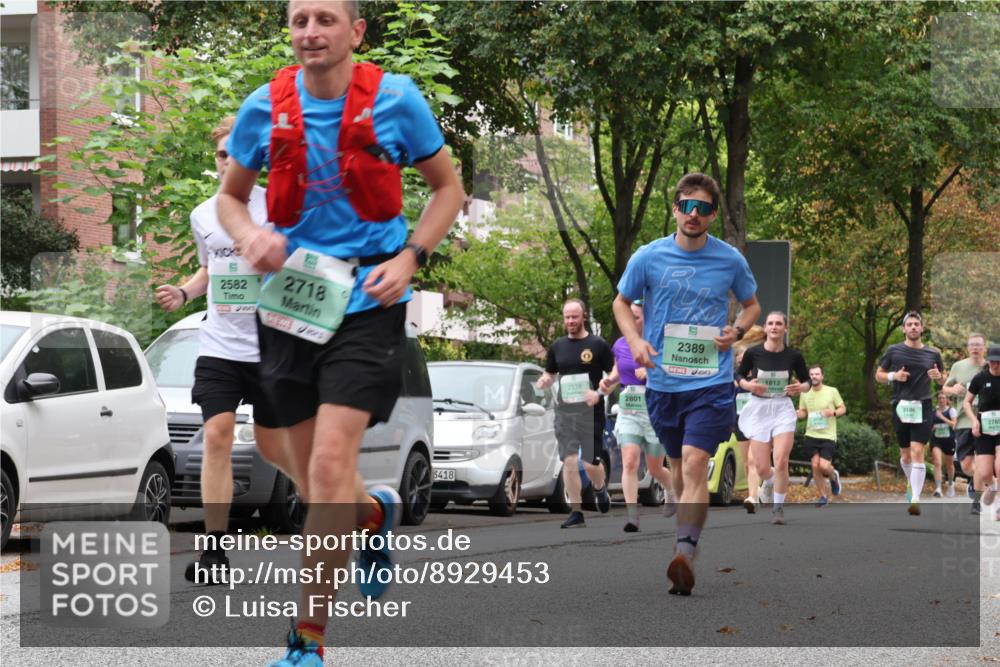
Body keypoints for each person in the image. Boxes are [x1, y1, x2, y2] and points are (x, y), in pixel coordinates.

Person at [218, 1, 465, 663]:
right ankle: (372, 511)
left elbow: (448, 190)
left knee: (328, 465)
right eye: (300, 20)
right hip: (292, 301)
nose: (310, 32)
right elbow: (230, 198)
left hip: (368, 301)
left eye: (325, 19)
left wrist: (410, 256)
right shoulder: (263, 106)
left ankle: (308, 639)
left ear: (355, 31)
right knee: (294, 464)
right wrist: (250, 236)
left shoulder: (396, 100)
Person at [154, 116, 289, 585]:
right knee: (216, 436)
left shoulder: (277, 206)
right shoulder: (203, 214)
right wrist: (184, 293)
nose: (228, 162)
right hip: (220, 346)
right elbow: (209, 269)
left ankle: (353, 513)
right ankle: (214, 551)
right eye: (221, 155)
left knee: (280, 447)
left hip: (272, 347)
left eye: (237, 154)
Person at [613, 171, 760, 596]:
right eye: (687, 206)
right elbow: (621, 302)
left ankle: (685, 552)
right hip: (663, 384)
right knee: (678, 467)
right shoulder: (649, 256)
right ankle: (686, 537)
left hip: (711, 382)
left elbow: (752, 305)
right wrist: (635, 340)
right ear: (675, 208)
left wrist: (736, 331)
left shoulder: (729, 259)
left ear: (712, 215)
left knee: (696, 462)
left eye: (703, 208)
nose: (693, 214)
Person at [599, 301, 677, 532]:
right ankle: (633, 516)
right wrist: (608, 382)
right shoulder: (620, 344)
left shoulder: (660, 343)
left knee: (655, 468)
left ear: (647, 319)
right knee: (630, 461)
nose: (631, 321)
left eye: (636, 317)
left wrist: (652, 369)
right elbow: (617, 370)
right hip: (629, 409)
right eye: (629, 316)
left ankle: (671, 490)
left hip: (655, 408)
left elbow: (673, 371)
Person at [537, 299, 614, 529]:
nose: (570, 321)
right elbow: (550, 373)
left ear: (583, 318)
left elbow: (614, 375)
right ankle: (576, 512)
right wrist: (545, 380)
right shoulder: (558, 346)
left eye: (574, 317)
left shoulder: (598, 345)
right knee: (569, 460)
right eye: (567, 317)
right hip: (565, 412)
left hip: (591, 413)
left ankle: (599, 488)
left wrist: (599, 392)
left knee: (590, 463)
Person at [737, 312, 810, 525]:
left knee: (781, 460)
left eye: (779, 323)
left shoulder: (794, 356)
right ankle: (769, 482)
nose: (774, 327)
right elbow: (738, 375)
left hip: (782, 408)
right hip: (759, 408)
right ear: (766, 328)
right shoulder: (753, 353)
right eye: (770, 323)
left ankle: (778, 509)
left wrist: (800, 388)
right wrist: (748, 385)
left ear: (785, 329)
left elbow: (807, 381)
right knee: (760, 467)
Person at [875, 311, 945, 516]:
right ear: (904, 329)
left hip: (923, 405)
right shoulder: (894, 351)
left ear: (922, 328)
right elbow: (878, 375)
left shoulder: (933, 353)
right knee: (905, 456)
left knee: (917, 451)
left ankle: (915, 499)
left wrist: (939, 376)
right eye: (909, 324)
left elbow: (943, 380)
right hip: (901, 406)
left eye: (916, 324)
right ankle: (910, 482)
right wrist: (893, 376)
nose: (913, 327)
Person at [943, 333, 988, 503]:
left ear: (984, 348)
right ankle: (977, 482)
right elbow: (945, 389)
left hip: (986, 422)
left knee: (986, 461)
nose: (975, 348)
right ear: (968, 348)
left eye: (978, 345)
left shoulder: (992, 366)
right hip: (963, 421)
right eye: (972, 345)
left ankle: (981, 496)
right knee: (966, 465)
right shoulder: (958, 366)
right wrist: (953, 389)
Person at [795, 364, 846, 507]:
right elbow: (804, 412)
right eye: (811, 374)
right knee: (815, 465)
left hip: (828, 435)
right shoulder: (805, 393)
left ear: (822, 376)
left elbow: (843, 408)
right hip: (811, 434)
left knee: (824, 466)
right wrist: (798, 413)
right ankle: (823, 496)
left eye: (817, 374)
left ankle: (833, 476)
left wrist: (832, 413)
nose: (814, 377)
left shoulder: (832, 391)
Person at [962, 344, 1000, 517]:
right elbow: (967, 402)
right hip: (984, 430)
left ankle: (998, 506)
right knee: (985, 473)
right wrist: (973, 420)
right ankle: (992, 486)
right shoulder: (980, 378)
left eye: (998, 362)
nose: (995, 365)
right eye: (992, 361)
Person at [732, 326, 765, 513]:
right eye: (739, 355)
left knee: (753, 461)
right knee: (746, 462)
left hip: (759, 422)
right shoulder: (735, 377)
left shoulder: (760, 374)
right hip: (740, 422)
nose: (741, 358)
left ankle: (752, 497)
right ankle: (756, 491)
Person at [930, 390, 958, 498]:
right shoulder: (934, 412)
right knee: (937, 462)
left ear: (947, 400)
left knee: (949, 464)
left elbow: (954, 424)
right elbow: (930, 427)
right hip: (936, 440)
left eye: (943, 398)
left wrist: (942, 417)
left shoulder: (951, 411)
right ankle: (938, 488)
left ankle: (950, 484)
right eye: (940, 398)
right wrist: (932, 428)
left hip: (949, 440)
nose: (941, 400)